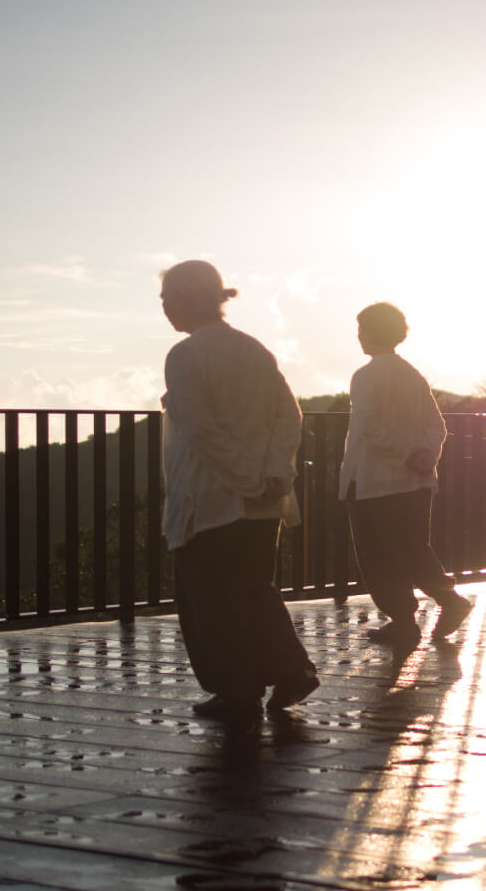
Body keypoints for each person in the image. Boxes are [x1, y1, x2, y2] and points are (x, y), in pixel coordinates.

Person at [159, 260, 319, 720]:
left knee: (210, 599)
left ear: (188, 300)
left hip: (210, 499)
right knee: (254, 589)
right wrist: (273, 475)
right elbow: (289, 417)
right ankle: (291, 672)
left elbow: (203, 433)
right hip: (262, 500)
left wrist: (247, 479)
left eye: (168, 299)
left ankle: (237, 690)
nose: (165, 309)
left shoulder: (185, 356)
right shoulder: (252, 350)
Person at [338, 302, 472, 651]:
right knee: (414, 547)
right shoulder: (413, 375)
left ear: (368, 333)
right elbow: (437, 425)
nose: (359, 337)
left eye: (361, 330)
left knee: (378, 554)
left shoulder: (366, 376)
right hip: (416, 482)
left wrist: (403, 454)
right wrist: (423, 455)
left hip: (372, 481)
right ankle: (449, 599)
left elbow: (368, 426)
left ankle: (403, 621)